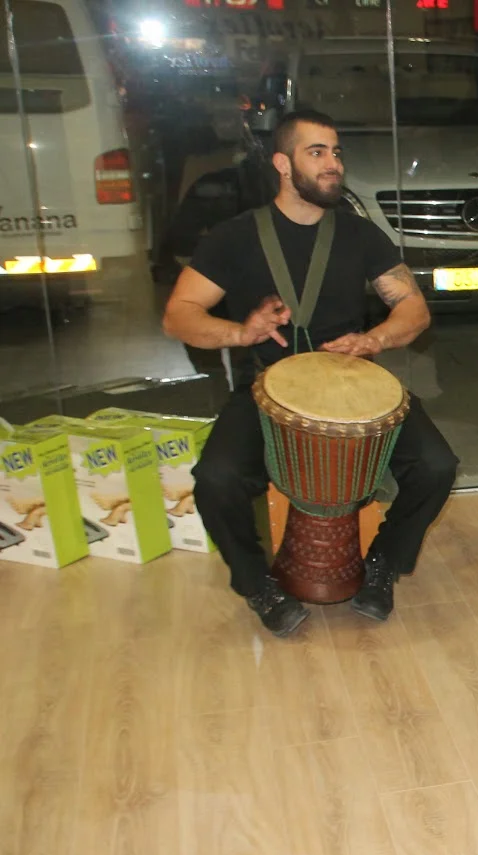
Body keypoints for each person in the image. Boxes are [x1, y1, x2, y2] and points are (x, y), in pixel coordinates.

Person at [163, 109, 458, 638]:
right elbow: (179, 315)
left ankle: (383, 562)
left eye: (336, 152)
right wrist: (242, 332)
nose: (332, 164)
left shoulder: (360, 235)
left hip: (353, 385)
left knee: (437, 466)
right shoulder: (234, 237)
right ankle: (258, 583)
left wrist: (375, 339)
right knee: (215, 480)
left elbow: (413, 310)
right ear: (282, 164)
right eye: (316, 152)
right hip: (267, 387)